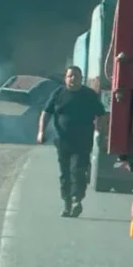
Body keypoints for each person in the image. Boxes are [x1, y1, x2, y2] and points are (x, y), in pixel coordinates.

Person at [37, 66, 107, 218]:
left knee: (77, 170)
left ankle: (77, 199)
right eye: (70, 76)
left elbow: (101, 114)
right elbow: (46, 113)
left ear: (81, 78)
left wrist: (99, 130)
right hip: (62, 140)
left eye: (76, 76)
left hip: (82, 141)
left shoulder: (89, 95)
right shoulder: (58, 94)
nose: (73, 79)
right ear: (65, 78)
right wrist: (41, 132)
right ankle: (67, 203)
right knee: (65, 173)